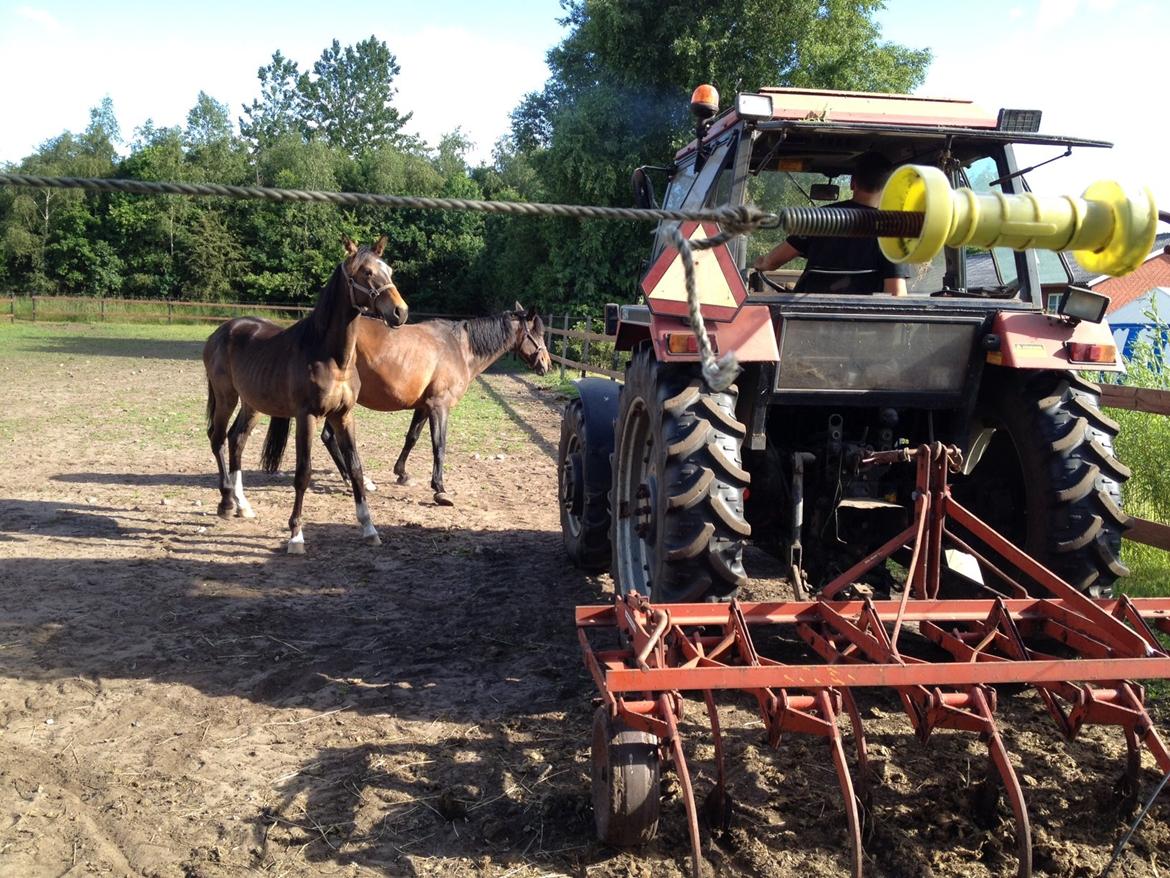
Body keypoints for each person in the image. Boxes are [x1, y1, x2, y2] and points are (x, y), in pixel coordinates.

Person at [753, 151, 910, 296]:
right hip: (861, 323)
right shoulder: (893, 232)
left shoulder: (819, 219)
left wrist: (759, 263)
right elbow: (897, 294)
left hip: (805, 318)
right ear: (889, 187)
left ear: (852, 183)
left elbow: (772, 262)